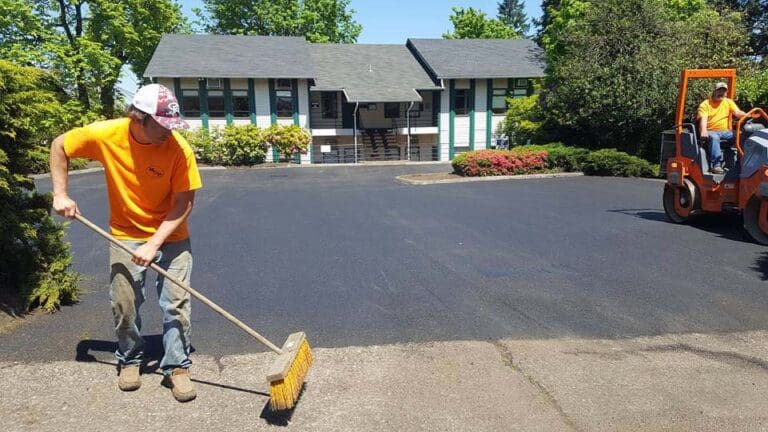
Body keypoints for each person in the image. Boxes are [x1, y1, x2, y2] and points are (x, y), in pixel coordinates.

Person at [49, 84, 203, 402]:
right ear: (138, 118)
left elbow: (184, 203)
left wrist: (154, 243)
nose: (169, 132)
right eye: (163, 125)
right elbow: (60, 145)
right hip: (124, 232)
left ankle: (177, 367)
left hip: (172, 235)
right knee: (124, 303)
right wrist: (60, 193)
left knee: (176, 304)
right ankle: (130, 358)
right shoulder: (107, 135)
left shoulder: (178, 149)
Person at [698, 81, 747, 174]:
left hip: (725, 132)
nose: (721, 93)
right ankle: (716, 165)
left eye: (723, 91)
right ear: (714, 91)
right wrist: (704, 130)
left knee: (741, 135)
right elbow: (703, 119)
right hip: (710, 131)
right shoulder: (705, 104)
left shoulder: (728, 102)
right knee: (715, 137)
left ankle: (742, 161)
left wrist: (748, 115)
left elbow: (737, 113)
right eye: (719, 90)